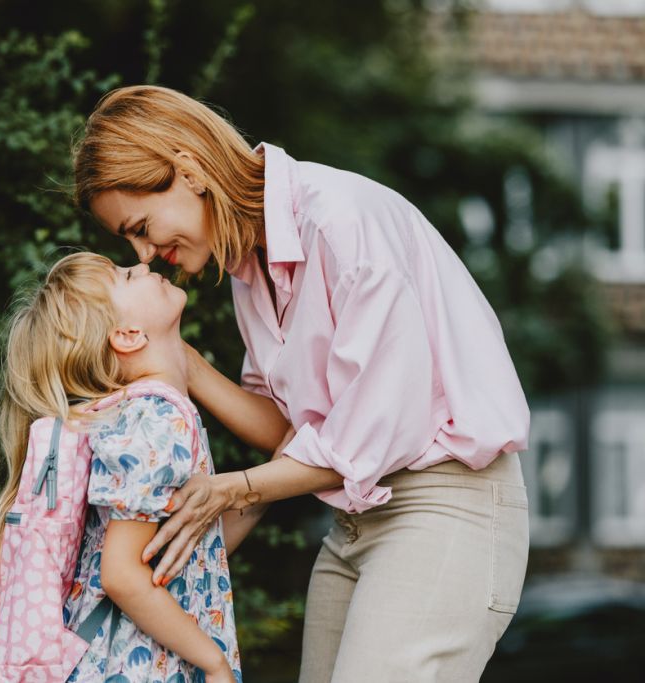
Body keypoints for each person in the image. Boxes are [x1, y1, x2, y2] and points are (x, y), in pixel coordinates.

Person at [72, 85, 531, 683]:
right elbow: (294, 434)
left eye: (140, 227)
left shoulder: (341, 222)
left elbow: (372, 434)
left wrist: (234, 489)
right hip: (356, 520)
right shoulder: (249, 264)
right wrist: (179, 362)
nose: (145, 253)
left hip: (444, 506)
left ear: (188, 171)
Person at [0, 252, 278, 682]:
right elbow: (123, 576)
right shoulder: (155, 419)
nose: (144, 265)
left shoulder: (136, 415)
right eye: (127, 275)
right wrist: (214, 662)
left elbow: (180, 554)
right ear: (128, 335)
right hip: (134, 667)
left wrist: (272, 484)